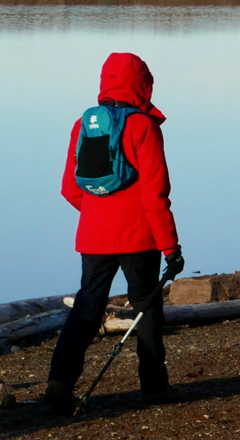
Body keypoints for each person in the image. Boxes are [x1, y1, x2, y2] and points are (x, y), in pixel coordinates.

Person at [41, 52, 184, 415]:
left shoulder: (83, 124)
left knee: (87, 308)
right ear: (143, 83)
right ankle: (154, 387)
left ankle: (59, 384)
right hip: (140, 236)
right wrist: (171, 247)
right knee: (147, 309)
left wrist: (95, 213)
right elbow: (155, 195)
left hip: (93, 236)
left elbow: (70, 189)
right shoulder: (143, 126)